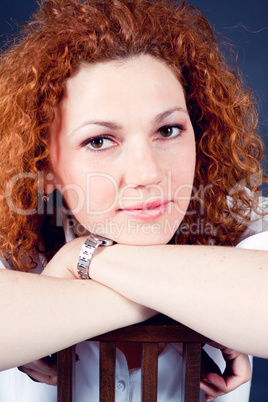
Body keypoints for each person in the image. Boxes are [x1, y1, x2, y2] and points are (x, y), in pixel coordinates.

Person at [0, 0, 267, 401]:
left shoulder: (237, 215)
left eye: (169, 130)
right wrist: (196, 304)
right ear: (44, 166)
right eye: (99, 141)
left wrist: (86, 258)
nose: (148, 174)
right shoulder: (12, 236)